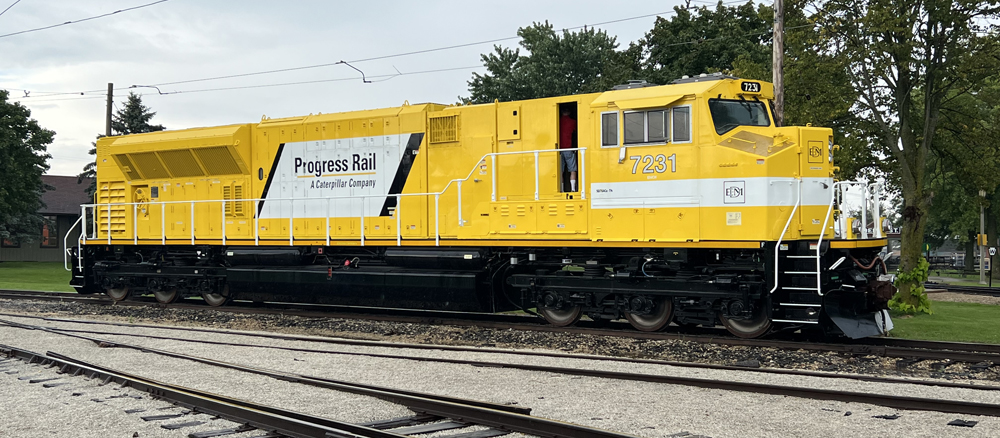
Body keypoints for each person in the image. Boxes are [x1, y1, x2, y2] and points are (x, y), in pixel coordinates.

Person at [559, 107, 577, 192]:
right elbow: (575, 133)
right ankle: (573, 189)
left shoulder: (557, 122)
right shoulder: (573, 122)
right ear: (569, 112)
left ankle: (561, 189)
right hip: (569, 148)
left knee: (560, 171)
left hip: (558, 149)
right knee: (572, 170)